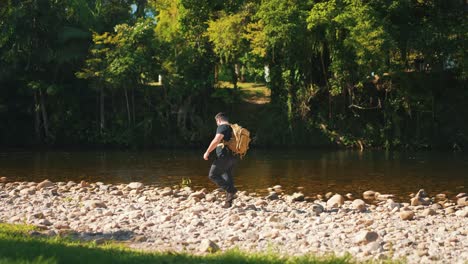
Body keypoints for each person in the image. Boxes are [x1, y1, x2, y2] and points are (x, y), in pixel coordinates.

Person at [203, 112, 238, 208]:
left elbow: (216, 140)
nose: (217, 124)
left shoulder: (222, 127)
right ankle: (228, 203)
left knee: (212, 175)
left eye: (216, 122)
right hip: (233, 156)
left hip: (224, 156)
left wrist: (207, 152)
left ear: (218, 119)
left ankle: (232, 190)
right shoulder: (232, 127)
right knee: (228, 176)